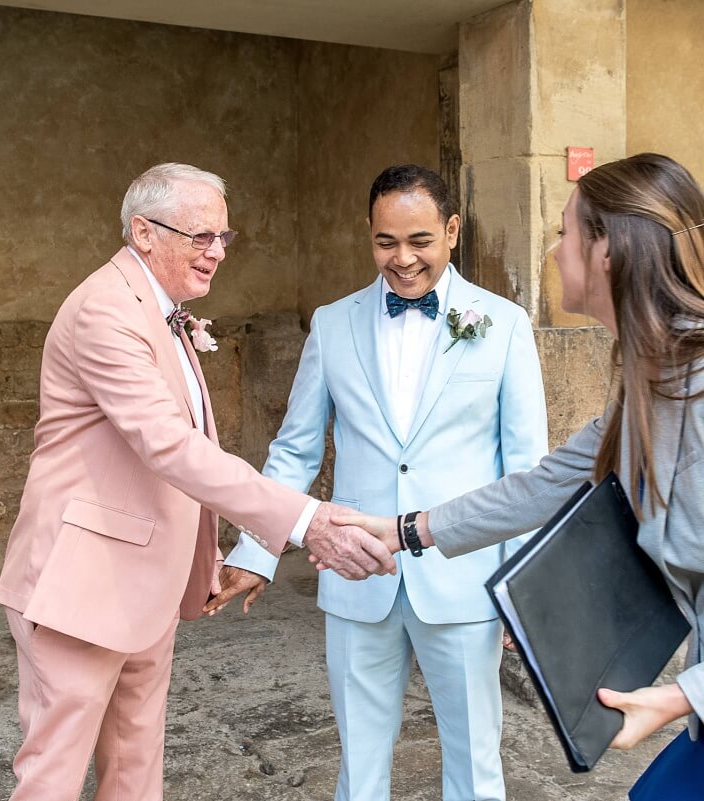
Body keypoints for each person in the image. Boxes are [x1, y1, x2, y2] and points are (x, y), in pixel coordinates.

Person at [332, 154, 704, 800]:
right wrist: (399, 531)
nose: (555, 251)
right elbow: (539, 486)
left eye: (566, 233)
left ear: (608, 253)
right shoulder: (645, 388)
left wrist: (677, 697)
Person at [0, 162, 395, 801]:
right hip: (81, 586)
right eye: (200, 236)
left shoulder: (162, 308)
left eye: (223, 239)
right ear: (143, 232)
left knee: (134, 771)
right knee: (52, 778)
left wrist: (201, 555)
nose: (216, 253)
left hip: (143, 587)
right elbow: (169, 447)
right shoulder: (106, 309)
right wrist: (304, 519)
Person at [218, 164, 548, 801]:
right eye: (385, 242)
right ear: (369, 236)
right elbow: (294, 451)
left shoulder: (502, 324)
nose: (403, 260)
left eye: (420, 241)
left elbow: (525, 471)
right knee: (359, 768)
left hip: (464, 578)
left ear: (452, 231)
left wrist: (521, 586)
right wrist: (255, 554)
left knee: (477, 768)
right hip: (355, 575)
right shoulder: (332, 323)